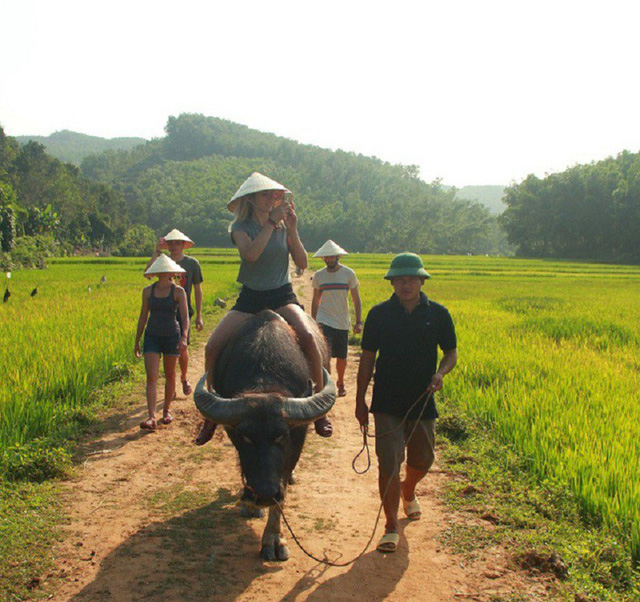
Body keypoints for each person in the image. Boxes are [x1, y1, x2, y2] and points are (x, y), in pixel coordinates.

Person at [196, 172, 331, 445]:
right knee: (212, 346)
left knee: (307, 337)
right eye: (267, 195)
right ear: (252, 199)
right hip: (250, 298)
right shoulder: (241, 228)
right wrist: (272, 222)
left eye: (276, 195)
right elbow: (252, 255)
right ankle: (212, 411)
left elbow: (302, 263)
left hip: (282, 295)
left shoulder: (283, 227)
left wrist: (292, 230)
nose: (273, 199)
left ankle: (318, 406)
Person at [355, 253, 457, 553]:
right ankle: (390, 525)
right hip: (386, 401)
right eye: (399, 279)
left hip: (423, 398)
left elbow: (451, 352)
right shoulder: (378, 315)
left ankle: (408, 490)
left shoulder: (438, 313)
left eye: (411, 278)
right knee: (389, 464)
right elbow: (367, 359)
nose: (405, 284)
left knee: (423, 460)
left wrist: (440, 373)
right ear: (392, 282)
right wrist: (361, 400)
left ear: (422, 280)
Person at [135, 254, 190, 430]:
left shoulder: (178, 291)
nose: (163, 274)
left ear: (171, 273)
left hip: (171, 336)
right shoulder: (148, 291)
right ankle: (151, 416)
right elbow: (143, 315)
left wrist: (184, 336)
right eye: (160, 272)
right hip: (152, 336)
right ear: (157, 273)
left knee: (170, 374)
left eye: (166, 271)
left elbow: (184, 316)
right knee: (151, 376)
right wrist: (137, 340)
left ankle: (166, 410)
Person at [147, 229, 204, 396]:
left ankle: (184, 378)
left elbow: (198, 289)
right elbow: (148, 275)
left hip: (183, 312)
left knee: (182, 348)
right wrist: (157, 251)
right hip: (164, 312)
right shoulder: (162, 262)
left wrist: (199, 315)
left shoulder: (192, 264)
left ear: (183, 245)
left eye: (177, 243)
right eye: (171, 243)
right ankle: (170, 386)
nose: (174, 246)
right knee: (167, 352)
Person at [311, 240, 362, 397]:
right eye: (326, 257)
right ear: (323, 259)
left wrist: (358, 321)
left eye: (331, 257)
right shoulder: (319, 276)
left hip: (341, 321)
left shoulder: (348, 274)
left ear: (338, 256)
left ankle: (340, 382)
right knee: (324, 355)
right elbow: (315, 300)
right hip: (324, 319)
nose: (329, 260)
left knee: (342, 356)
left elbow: (356, 299)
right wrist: (313, 321)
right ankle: (327, 384)